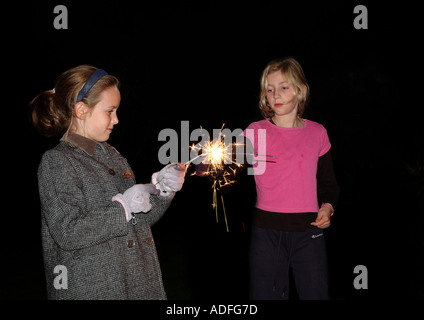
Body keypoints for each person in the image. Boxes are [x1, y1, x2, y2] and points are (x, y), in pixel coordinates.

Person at [31, 65, 185, 300]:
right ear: (81, 110)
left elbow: (138, 220)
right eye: (110, 111)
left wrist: (162, 190)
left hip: (136, 282)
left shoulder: (112, 155)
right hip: (93, 289)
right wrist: (123, 206)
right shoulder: (57, 162)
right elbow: (67, 232)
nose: (117, 119)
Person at [244, 57, 339, 300]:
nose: (276, 94)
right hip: (266, 233)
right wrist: (207, 163)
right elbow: (229, 165)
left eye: (284, 87)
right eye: (270, 89)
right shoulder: (256, 132)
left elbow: (328, 184)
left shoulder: (318, 132)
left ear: (300, 90)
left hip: (309, 232)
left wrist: (327, 207)